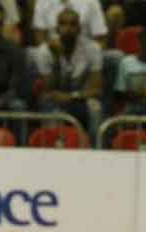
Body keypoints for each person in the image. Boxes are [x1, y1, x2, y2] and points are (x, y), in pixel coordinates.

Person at [35, 7, 103, 138]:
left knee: (96, 108)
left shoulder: (93, 49)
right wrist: (56, 59)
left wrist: (72, 96)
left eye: (73, 24)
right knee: (49, 106)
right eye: (63, 24)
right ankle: (53, 147)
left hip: (81, 98)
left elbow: (96, 89)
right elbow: (49, 89)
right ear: (56, 29)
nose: (68, 28)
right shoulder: (44, 52)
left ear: (79, 29)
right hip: (54, 101)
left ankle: (96, 148)